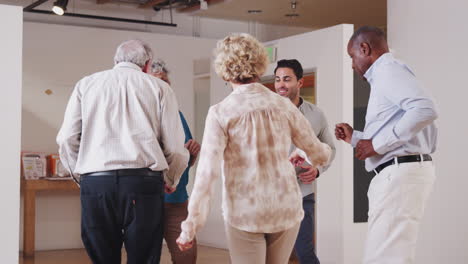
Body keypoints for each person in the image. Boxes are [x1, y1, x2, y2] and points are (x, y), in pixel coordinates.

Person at [176, 33, 332, 264]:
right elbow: (320, 153)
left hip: (245, 211)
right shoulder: (283, 105)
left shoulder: (221, 112)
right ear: (259, 64)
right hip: (285, 208)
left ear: (224, 69)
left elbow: (207, 175)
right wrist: (303, 154)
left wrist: (190, 227)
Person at [56, 39, 189, 264]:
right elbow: (176, 148)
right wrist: (170, 178)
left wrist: (82, 176)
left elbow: (67, 138)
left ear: (115, 60)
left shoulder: (86, 84)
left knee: (102, 257)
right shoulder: (160, 88)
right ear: (147, 64)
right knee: (143, 256)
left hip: (96, 183)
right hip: (143, 183)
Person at [335, 26, 438, 264]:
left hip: (400, 174)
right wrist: (356, 139)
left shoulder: (387, 70)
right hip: (399, 172)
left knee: (384, 258)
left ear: (365, 48)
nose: (352, 64)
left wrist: (377, 144)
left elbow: (425, 109)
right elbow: (389, 133)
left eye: (352, 57)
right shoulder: (387, 74)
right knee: (389, 256)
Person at [274, 59, 336, 264]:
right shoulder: (265, 112)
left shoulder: (316, 114)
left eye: (287, 79)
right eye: (277, 79)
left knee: (305, 252)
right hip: (268, 196)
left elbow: (330, 148)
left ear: (300, 82)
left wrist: (318, 169)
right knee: (266, 254)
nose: (281, 84)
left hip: (302, 195)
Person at [150, 59, 200, 264]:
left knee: (186, 256)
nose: (164, 86)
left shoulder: (177, 116)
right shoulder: (138, 116)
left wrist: (193, 155)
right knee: (147, 257)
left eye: (166, 81)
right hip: (146, 202)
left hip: (177, 201)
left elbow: (185, 162)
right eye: (159, 81)